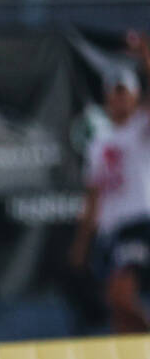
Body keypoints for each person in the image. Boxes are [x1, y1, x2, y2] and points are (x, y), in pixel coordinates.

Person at [69, 30, 150, 333]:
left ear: (135, 95)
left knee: (121, 296)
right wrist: (81, 244)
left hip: (138, 223)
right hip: (110, 231)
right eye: (113, 92)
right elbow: (93, 195)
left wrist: (145, 56)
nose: (118, 97)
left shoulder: (141, 128)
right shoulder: (99, 142)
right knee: (118, 313)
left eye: (123, 90)